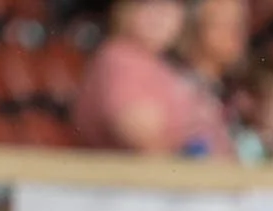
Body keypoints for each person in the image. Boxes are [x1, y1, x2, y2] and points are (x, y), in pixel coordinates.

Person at [75, 0, 232, 155]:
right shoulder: (120, 59)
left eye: (171, 5)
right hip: (145, 171)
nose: (160, 14)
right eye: (149, 4)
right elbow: (144, 142)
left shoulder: (158, 63)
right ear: (126, 9)